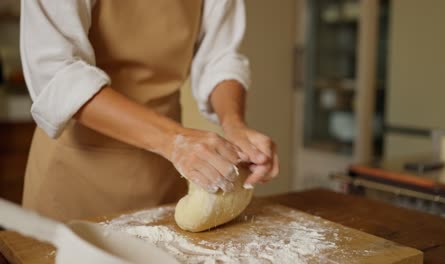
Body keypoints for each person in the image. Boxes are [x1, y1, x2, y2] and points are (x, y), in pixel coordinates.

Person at [20, 0, 279, 221]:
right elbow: (56, 72)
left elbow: (220, 58)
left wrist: (234, 124)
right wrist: (173, 140)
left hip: (163, 173)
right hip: (75, 176)